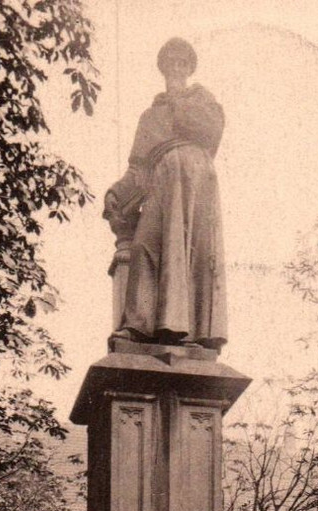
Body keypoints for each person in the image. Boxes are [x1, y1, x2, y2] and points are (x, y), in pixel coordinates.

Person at [104, 38, 227, 350]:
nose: (177, 66)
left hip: (195, 176)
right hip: (160, 179)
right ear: (163, 67)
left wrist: (178, 100)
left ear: (189, 67)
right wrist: (117, 193)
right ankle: (139, 325)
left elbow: (209, 132)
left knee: (194, 251)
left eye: (183, 61)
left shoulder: (203, 99)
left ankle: (196, 332)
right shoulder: (150, 116)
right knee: (147, 246)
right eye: (171, 61)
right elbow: (137, 165)